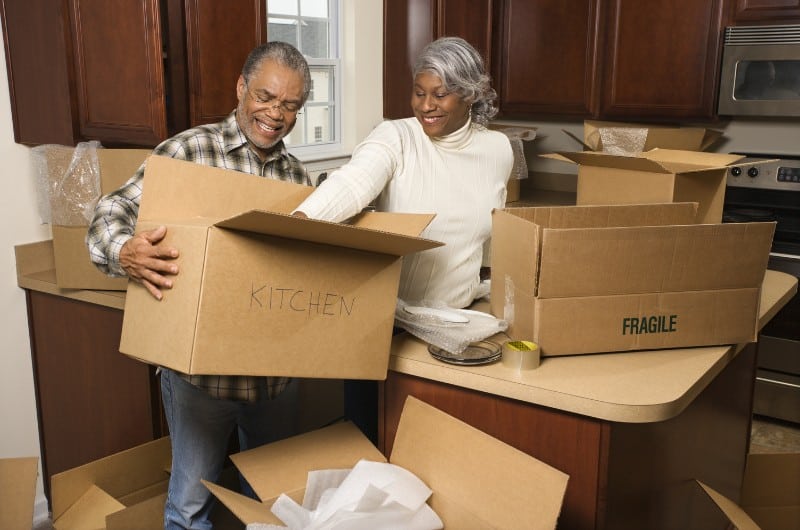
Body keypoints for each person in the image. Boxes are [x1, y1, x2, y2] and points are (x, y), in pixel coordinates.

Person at [86, 41, 311, 530]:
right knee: (190, 510)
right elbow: (110, 211)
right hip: (201, 380)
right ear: (240, 89)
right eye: (266, 97)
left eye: (291, 105)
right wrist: (125, 251)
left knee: (273, 507)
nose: (276, 113)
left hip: (275, 378)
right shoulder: (189, 151)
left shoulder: (296, 175)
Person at [293, 36, 514, 442]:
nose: (426, 105)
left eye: (440, 95)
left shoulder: (498, 149)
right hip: (384, 324)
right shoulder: (395, 136)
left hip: (454, 326)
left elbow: (489, 231)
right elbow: (352, 184)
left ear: (469, 95)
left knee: (433, 447)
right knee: (370, 444)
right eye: (418, 92)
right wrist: (296, 224)